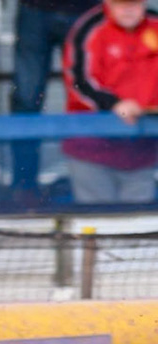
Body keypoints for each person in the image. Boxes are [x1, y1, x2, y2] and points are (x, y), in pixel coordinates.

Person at [62, 0, 158, 205]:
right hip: (91, 149)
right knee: (97, 223)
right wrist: (115, 105)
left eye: (135, 3)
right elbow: (78, 79)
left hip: (143, 150)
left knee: (137, 227)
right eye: (121, 3)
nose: (129, 9)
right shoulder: (90, 27)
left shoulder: (155, 23)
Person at [11, 0, 96, 194]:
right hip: (36, 9)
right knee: (26, 99)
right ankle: (24, 188)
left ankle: (91, 184)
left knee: (88, 99)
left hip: (83, 10)